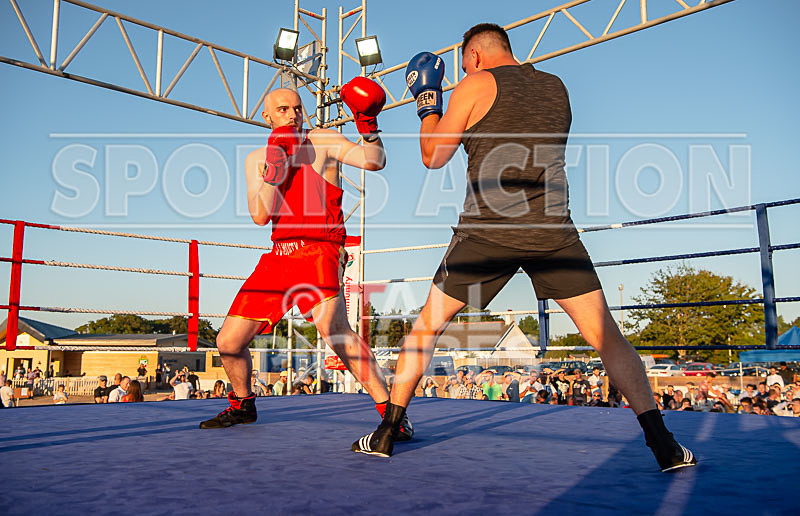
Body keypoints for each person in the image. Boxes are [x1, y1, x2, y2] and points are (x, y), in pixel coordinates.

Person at [352, 23, 696, 472]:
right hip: (551, 230)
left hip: (487, 231)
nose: (464, 72)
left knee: (426, 329)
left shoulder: (475, 84)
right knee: (607, 337)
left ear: (474, 56)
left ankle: (386, 434)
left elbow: (433, 156)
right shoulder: (557, 88)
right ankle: (664, 445)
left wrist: (428, 104)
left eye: (464, 65)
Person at [198, 82, 412, 442]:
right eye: (283, 109)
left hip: (319, 249)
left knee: (334, 330)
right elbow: (260, 215)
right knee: (228, 341)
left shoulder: (323, 141)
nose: (293, 115)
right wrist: (275, 164)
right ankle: (243, 405)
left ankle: (393, 415)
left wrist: (369, 127)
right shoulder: (256, 159)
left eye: (298, 108)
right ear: (267, 116)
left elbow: (374, 162)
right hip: (279, 255)